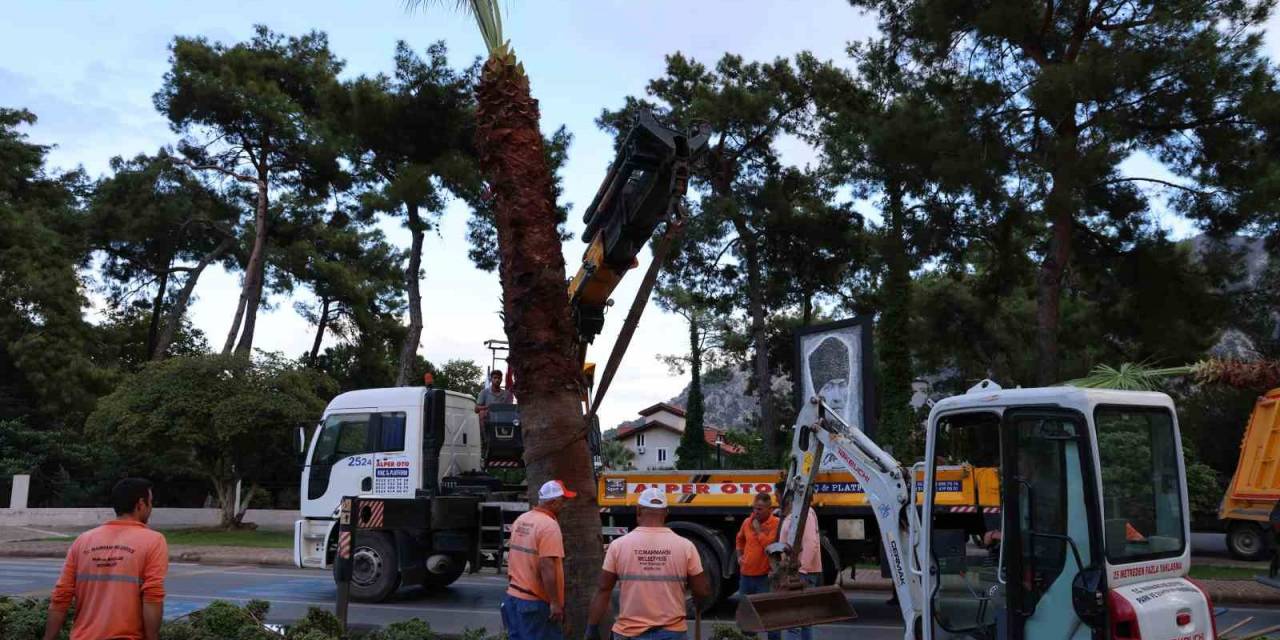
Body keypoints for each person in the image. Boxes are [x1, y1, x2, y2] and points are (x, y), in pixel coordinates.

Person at [44, 477, 168, 640]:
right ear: (140, 504)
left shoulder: (83, 540)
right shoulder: (153, 540)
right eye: (150, 502)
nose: (151, 507)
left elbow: (61, 596)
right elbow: (152, 597)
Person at [587, 487, 711, 640]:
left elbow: (603, 589)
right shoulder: (685, 546)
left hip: (629, 633)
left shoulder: (618, 546)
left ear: (638, 510)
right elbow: (702, 590)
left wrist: (591, 628)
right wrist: (698, 600)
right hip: (672, 633)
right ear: (666, 512)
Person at [503, 479, 576, 640]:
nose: (564, 505)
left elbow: (513, 557)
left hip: (514, 597)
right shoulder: (549, 526)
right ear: (554, 502)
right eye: (563, 500)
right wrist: (555, 603)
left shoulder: (522, 519)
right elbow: (547, 566)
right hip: (535, 602)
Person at [775, 488, 822, 640]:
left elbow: (810, 543)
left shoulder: (804, 515)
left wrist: (802, 571)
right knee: (803, 621)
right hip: (799, 571)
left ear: (790, 501)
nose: (777, 501)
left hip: (801, 573)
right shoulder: (796, 515)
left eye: (779, 497)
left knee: (794, 622)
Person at [736, 492, 781, 640]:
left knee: (770, 617)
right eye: (754, 508)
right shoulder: (747, 522)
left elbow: (769, 546)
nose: (756, 512)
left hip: (764, 578)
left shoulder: (775, 523)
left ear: (770, 509)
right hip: (746, 576)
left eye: (760, 509)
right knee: (746, 617)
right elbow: (739, 539)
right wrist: (739, 556)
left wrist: (758, 531)